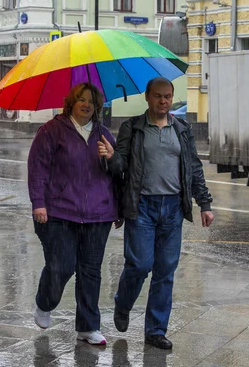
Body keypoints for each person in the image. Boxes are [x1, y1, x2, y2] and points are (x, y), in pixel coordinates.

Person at [97, 77, 214, 350]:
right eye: (158, 96)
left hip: (172, 209)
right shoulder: (133, 128)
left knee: (165, 271)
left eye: (168, 96)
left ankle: (156, 330)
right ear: (147, 98)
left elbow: (194, 168)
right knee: (139, 265)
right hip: (142, 207)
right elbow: (120, 167)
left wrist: (205, 204)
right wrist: (112, 155)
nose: (163, 101)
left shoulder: (182, 130)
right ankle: (123, 303)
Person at [27, 82, 119, 346]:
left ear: (97, 105)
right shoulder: (51, 131)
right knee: (61, 266)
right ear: (71, 102)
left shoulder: (104, 135)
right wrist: (38, 203)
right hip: (59, 212)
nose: (86, 104)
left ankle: (88, 327)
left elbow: (118, 173)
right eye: (80, 99)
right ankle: (45, 302)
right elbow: (37, 169)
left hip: (97, 214)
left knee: (90, 271)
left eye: (90, 100)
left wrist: (111, 157)